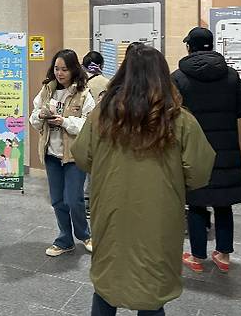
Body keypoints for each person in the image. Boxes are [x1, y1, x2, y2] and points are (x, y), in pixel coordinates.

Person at [71, 44, 215, 316]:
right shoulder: (179, 120)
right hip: (158, 216)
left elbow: (81, 155)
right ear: (162, 77)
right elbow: (198, 171)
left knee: (107, 285)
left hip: (110, 211)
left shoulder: (101, 116)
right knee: (152, 288)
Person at [171, 27, 241, 274]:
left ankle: (196, 257)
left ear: (189, 47)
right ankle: (223, 255)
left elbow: (171, 113)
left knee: (196, 203)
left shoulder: (179, 78)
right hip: (226, 150)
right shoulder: (230, 75)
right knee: (223, 203)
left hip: (193, 150)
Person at [29, 49, 94, 257]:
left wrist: (64, 122)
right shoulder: (46, 91)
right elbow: (33, 119)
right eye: (57, 68)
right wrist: (40, 115)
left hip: (74, 155)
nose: (60, 73)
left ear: (74, 69)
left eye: (64, 69)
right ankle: (65, 239)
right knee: (57, 200)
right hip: (51, 154)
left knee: (74, 198)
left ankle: (85, 235)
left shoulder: (84, 93)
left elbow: (89, 125)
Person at [81, 51, 110, 218]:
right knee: (95, 166)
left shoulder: (78, 82)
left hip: (76, 129)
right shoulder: (107, 83)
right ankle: (92, 202)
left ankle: (80, 201)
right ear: (101, 65)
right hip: (99, 128)